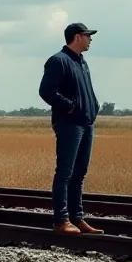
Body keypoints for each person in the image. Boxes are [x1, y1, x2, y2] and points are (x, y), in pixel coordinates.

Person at [38, 23, 104, 235]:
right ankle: (61, 220)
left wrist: (93, 106)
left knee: (79, 173)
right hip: (69, 124)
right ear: (77, 37)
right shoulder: (59, 60)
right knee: (65, 173)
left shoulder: (81, 61)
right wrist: (69, 106)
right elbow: (46, 91)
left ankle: (77, 218)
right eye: (87, 35)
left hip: (86, 123)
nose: (90, 39)